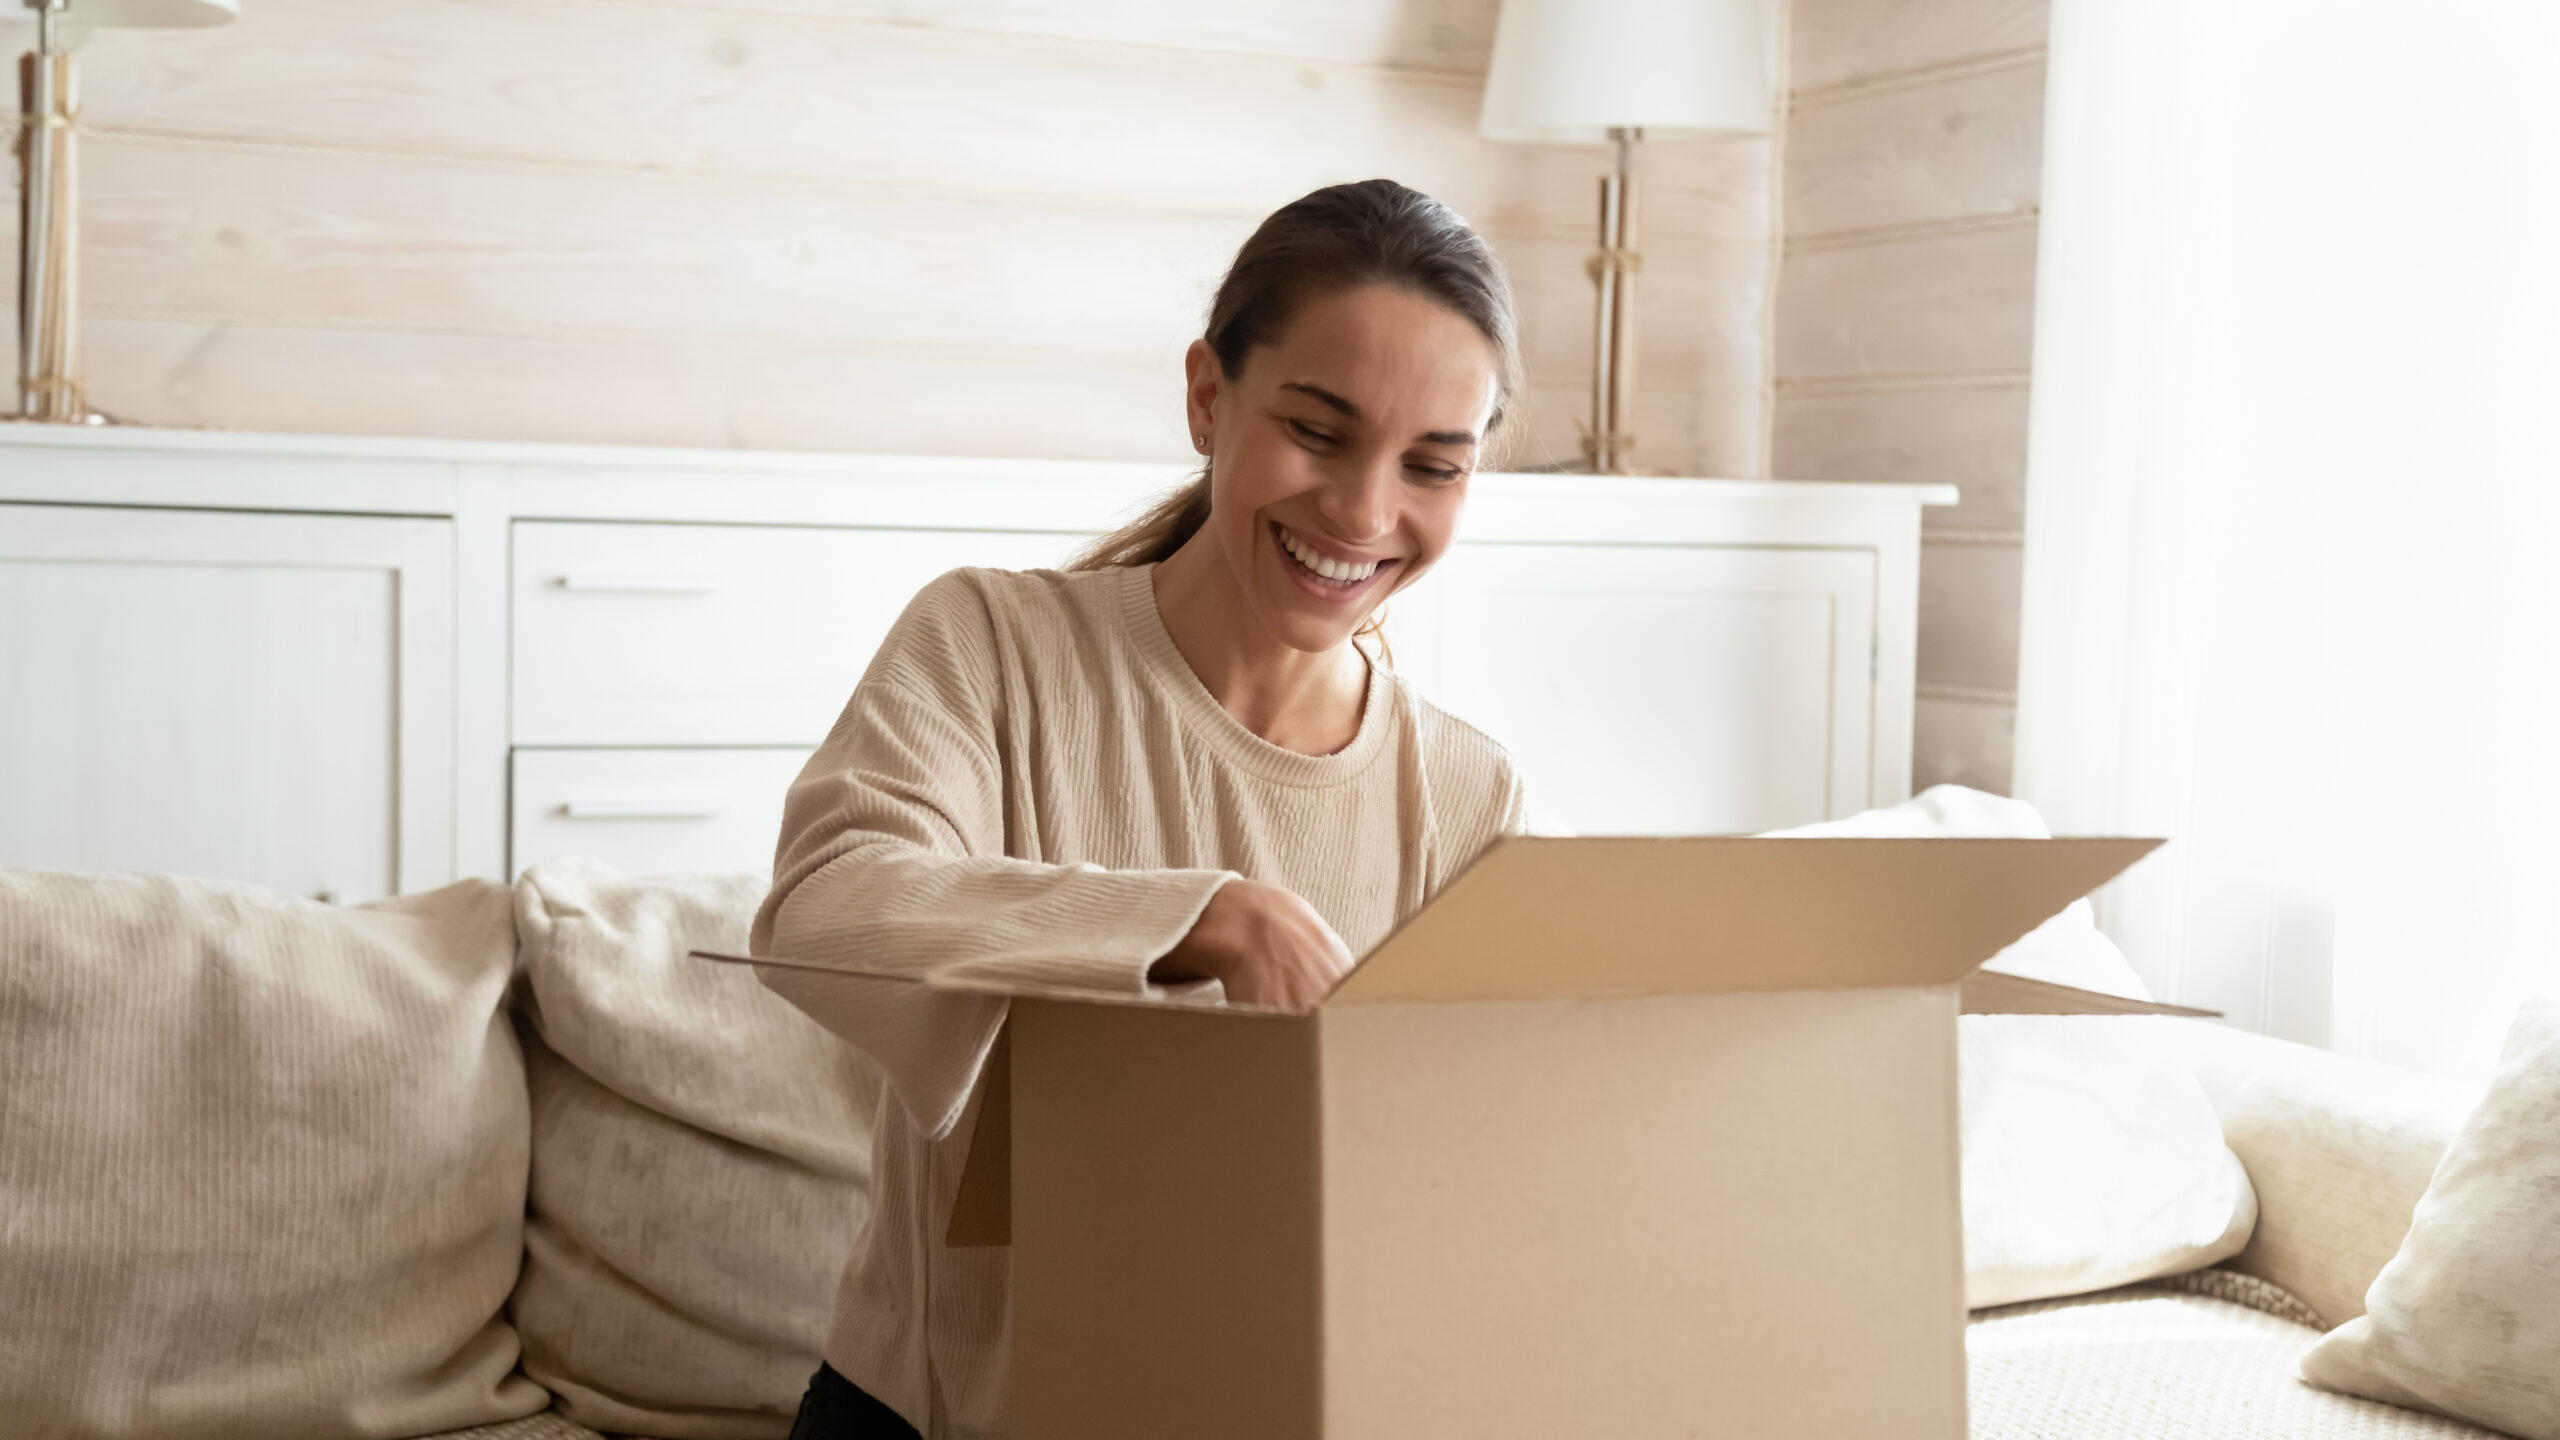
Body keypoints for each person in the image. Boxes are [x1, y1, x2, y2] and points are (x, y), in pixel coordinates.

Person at [755, 177, 1527, 1440]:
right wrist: (1210, 918)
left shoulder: (1469, 790)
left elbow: (1468, 1182)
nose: (1363, 513)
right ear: (1208, 396)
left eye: (1432, 466)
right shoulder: (991, 643)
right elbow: (821, 909)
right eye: (1319, 432)